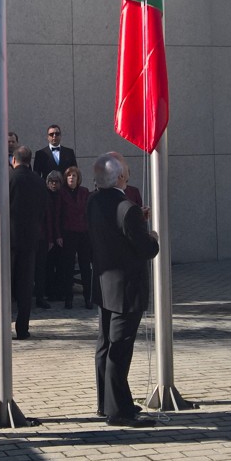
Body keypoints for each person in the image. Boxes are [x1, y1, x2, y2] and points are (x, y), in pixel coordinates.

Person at [86, 153, 159, 428]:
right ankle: (119, 412)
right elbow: (147, 248)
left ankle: (108, 403)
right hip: (126, 287)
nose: (128, 172)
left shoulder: (93, 200)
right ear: (120, 177)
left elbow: (112, 230)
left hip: (104, 284)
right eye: (126, 169)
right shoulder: (127, 207)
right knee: (119, 348)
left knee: (105, 344)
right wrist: (151, 235)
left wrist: (136, 221)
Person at [8, 145, 48, 339]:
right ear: (29, 161)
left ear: (13, 160)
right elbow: (44, 210)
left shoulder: (8, 179)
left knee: (5, 285)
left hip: (9, 240)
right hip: (31, 239)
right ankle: (22, 328)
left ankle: (2, 328)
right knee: (25, 286)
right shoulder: (39, 181)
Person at [58, 165, 92, 309]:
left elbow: (89, 212)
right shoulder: (61, 193)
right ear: (65, 178)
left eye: (74, 176)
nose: (71, 178)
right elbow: (57, 215)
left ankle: (88, 297)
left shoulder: (85, 192)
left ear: (78, 179)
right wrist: (58, 235)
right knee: (68, 266)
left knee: (85, 266)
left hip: (84, 233)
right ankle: (68, 298)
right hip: (68, 233)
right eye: (69, 176)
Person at [42, 170, 65, 305]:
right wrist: (51, 238)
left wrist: (59, 236)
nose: (53, 184)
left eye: (56, 182)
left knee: (60, 265)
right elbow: (47, 219)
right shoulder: (45, 196)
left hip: (61, 235)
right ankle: (50, 292)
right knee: (49, 266)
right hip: (48, 235)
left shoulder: (62, 196)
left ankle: (59, 291)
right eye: (51, 182)